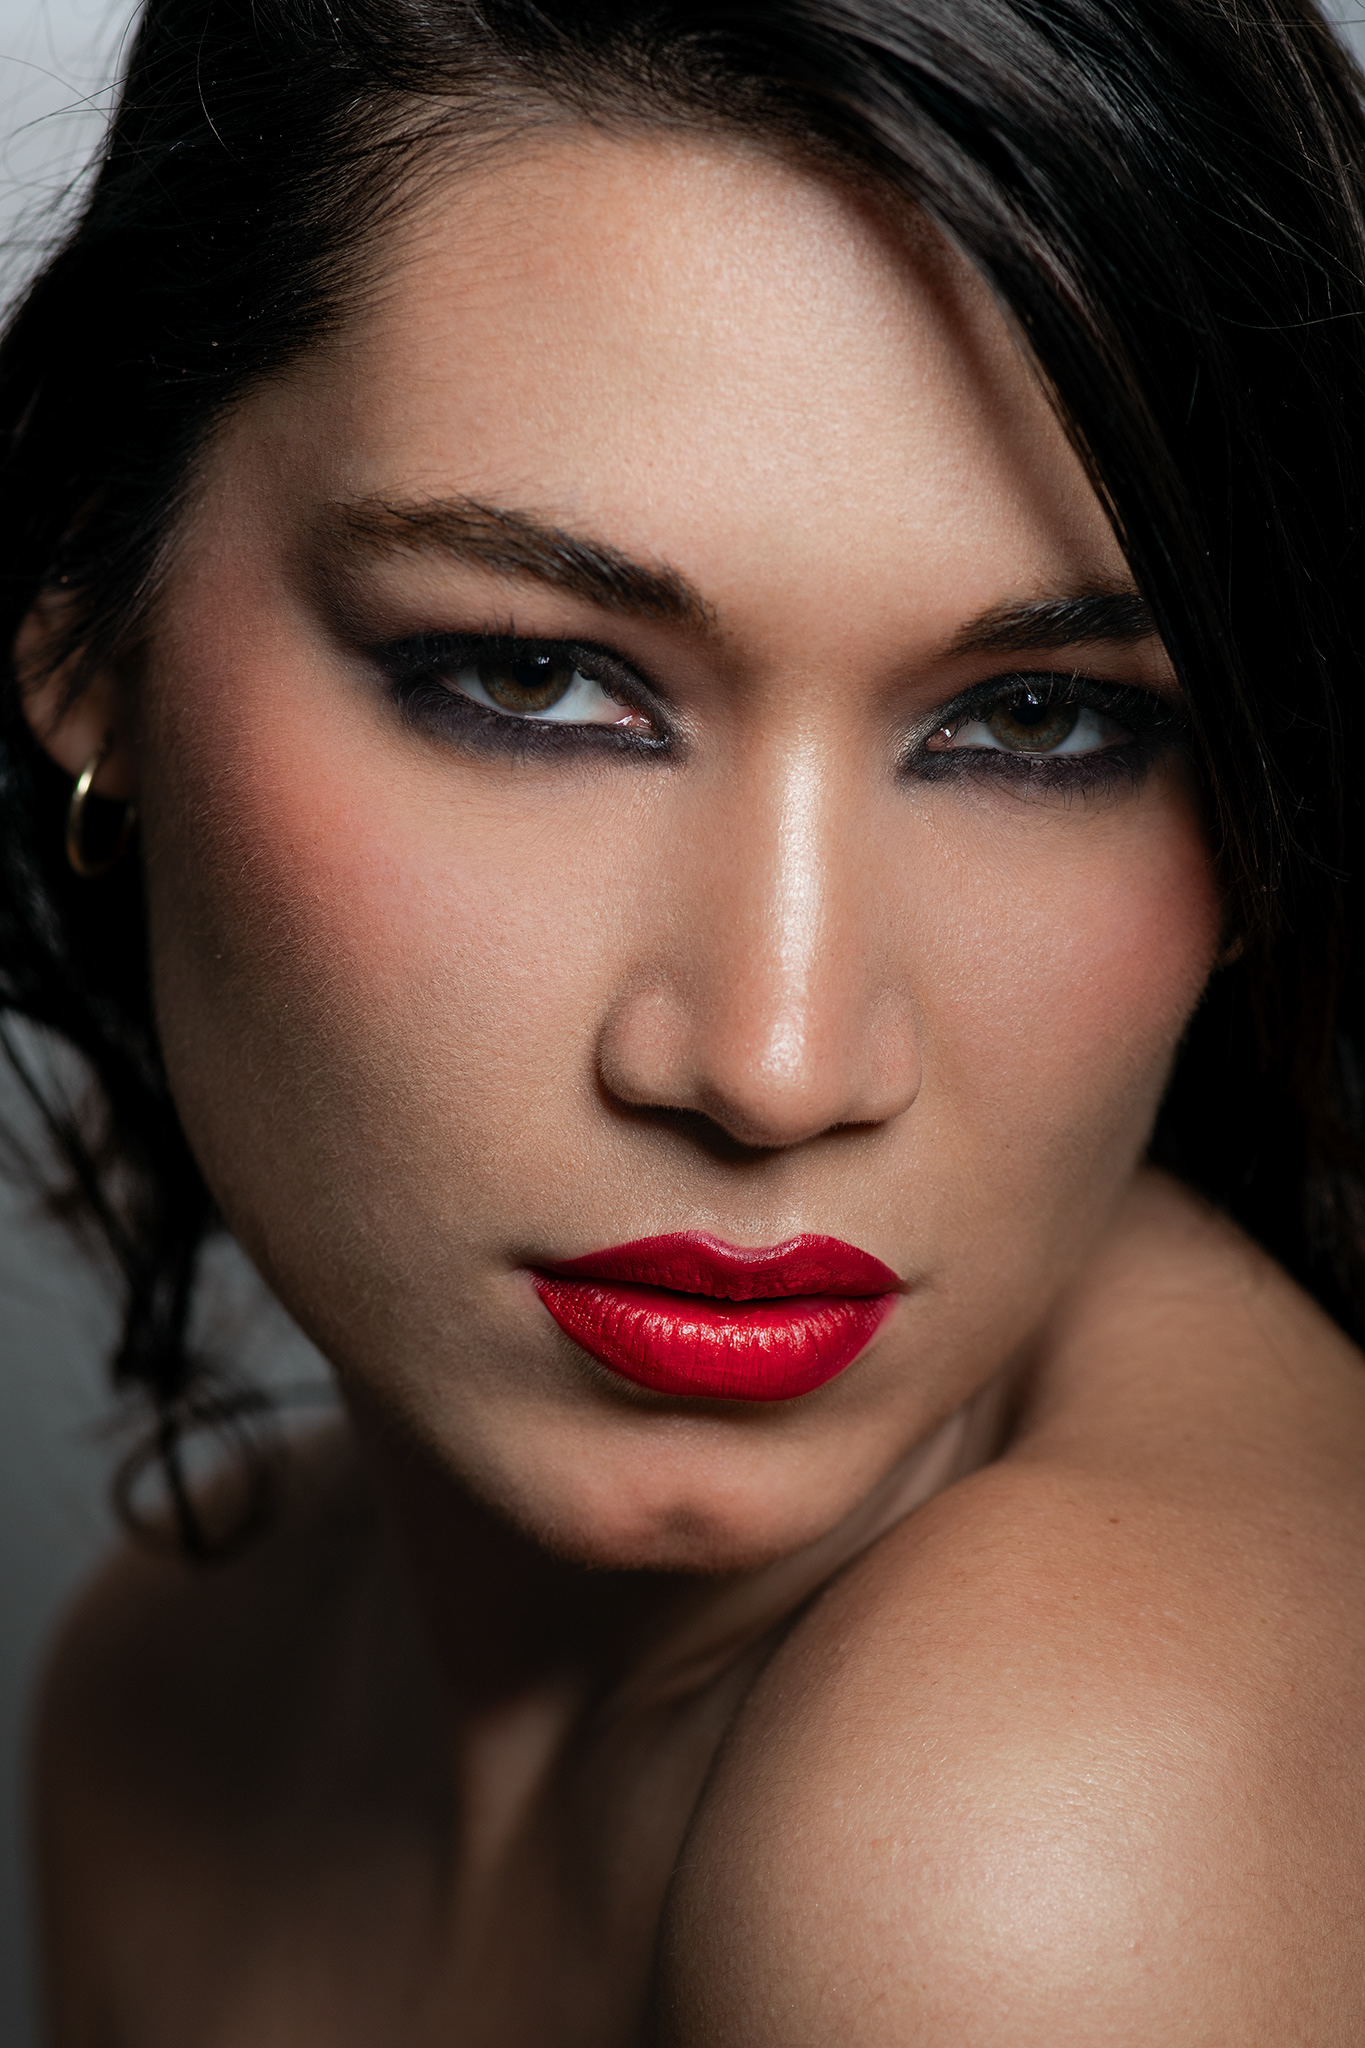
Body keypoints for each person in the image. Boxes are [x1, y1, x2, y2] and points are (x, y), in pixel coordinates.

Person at [3, 0, 1364, 2038]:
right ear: (81, 633)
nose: (771, 1062)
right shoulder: (175, 1693)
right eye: (535, 679)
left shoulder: (1033, 1851)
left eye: (1036, 720)